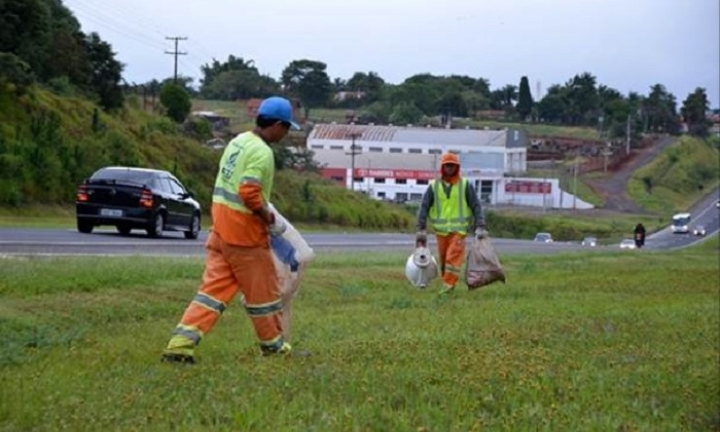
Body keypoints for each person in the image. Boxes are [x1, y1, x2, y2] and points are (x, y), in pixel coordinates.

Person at [161, 96, 300, 364]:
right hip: (245, 237)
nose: (286, 134)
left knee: (212, 293)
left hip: (221, 231)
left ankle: (179, 345)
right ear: (278, 125)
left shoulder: (238, 141)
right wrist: (268, 217)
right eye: (286, 128)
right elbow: (248, 191)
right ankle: (273, 347)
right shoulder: (262, 152)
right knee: (264, 297)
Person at [415, 152, 487, 294]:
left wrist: (480, 225)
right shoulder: (434, 186)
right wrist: (421, 229)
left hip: (458, 232)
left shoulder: (465, 185)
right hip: (441, 232)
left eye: (452, 166)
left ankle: (448, 285)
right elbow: (424, 207)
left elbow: (476, 206)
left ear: (457, 167)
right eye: (447, 165)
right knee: (444, 261)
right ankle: (448, 283)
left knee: (452, 257)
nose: (449, 168)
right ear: (443, 167)